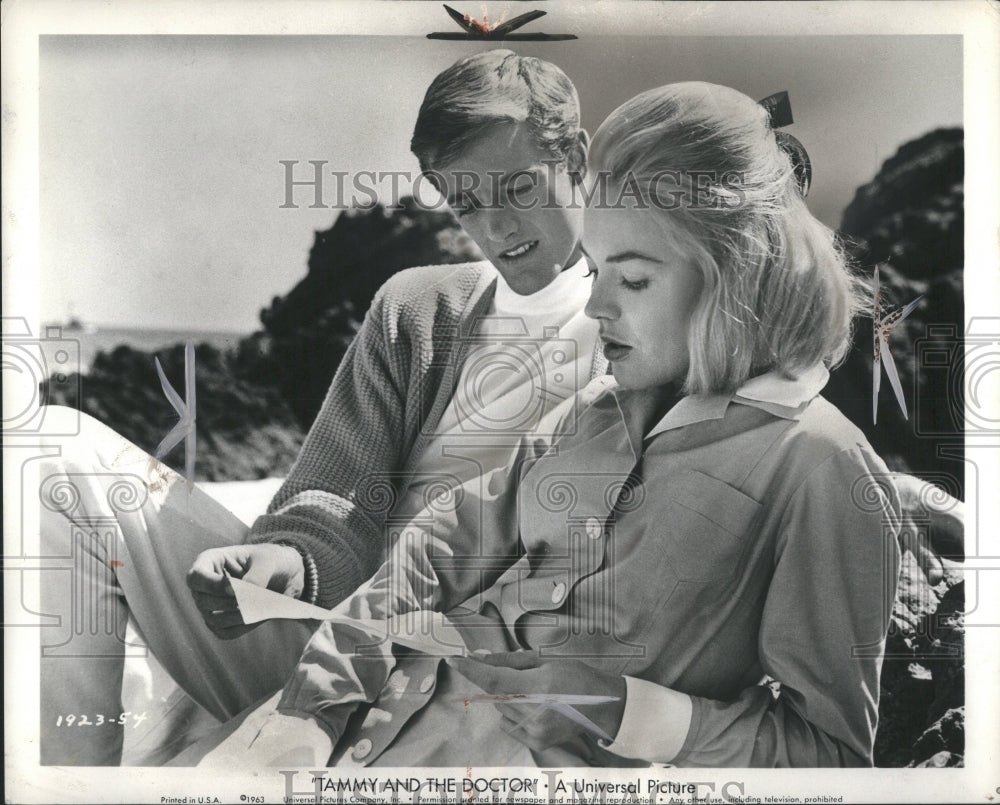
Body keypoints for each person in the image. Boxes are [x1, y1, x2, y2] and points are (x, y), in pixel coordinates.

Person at [183, 81, 905, 769]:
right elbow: (440, 543)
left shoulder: (820, 465)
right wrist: (312, 707)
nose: (596, 309)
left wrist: (625, 711)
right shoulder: (600, 407)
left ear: (735, 273)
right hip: (351, 739)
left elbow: (832, 754)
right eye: (597, 272)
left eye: (635, 278)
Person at [37, 49, 603, 765]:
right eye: (467, 206)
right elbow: (336, 497)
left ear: (576, 156)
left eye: (519, 187)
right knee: (54, 453)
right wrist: (288, 561)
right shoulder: (417, 306)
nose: (497, 229)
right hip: (321, 631)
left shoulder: (650, 322)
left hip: (471, 684)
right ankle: (61, 779)